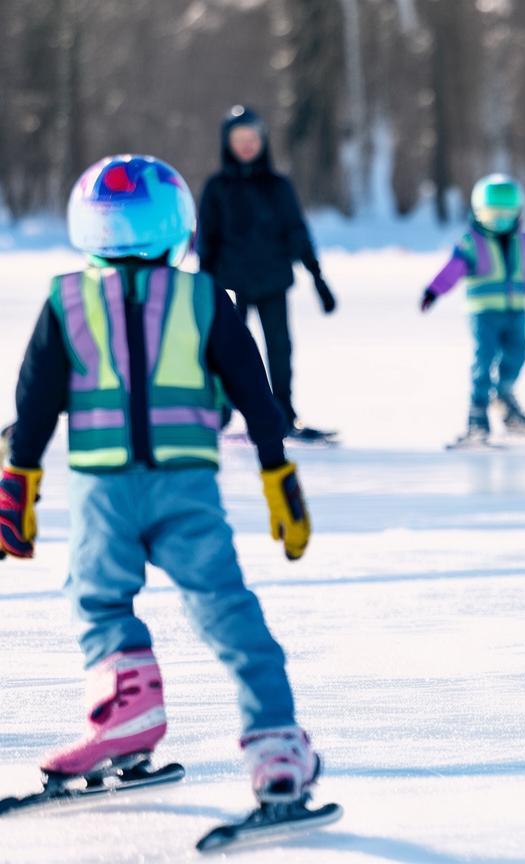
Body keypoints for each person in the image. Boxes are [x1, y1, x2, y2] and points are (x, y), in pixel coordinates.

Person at [0, 155, 321, 807]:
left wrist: (18, 482)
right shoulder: (204, 298)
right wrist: (277, 475)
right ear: (180, 224)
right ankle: (276, 742)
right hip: (184, 488)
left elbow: (34, 405)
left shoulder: (67, 301)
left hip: (102, 493)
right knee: (225, 609)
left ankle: (128, 711)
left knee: (97, 601)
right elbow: (257, 397)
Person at [197, 105, 336, 440]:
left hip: (272, 281)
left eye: (252, 138)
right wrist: (203, 283)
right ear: (227, 143)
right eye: (239, 139)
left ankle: (283, 411)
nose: (246, 145)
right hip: (228, 286)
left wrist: (317, 277)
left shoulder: (278, 187)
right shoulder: (216, 188)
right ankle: (221, 408)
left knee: (279, 348)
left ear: (262, 141)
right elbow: (206, 239)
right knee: (225, 349)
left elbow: (297, 232)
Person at [420, 173, 525, 443]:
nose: (501, 220)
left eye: (507, 214)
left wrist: (521, 294)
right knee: (484, 360)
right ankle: (477, 416)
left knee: (519, 352)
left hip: (516, 309)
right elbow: (452, 270)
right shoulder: (471, 242)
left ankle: (505, 395)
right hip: (484, 313)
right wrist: (434, 290)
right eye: (494, 214)